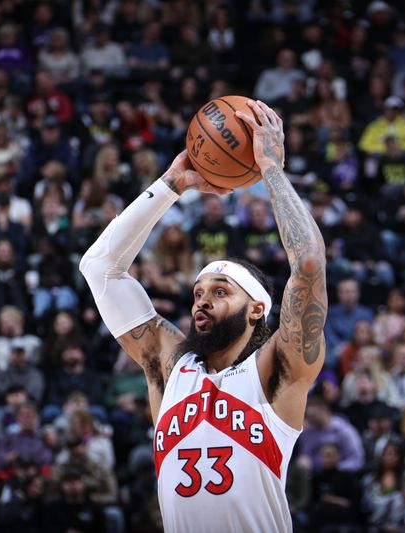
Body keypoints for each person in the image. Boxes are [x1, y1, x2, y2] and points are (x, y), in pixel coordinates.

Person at [80, 100, 327, 532]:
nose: (201, 301)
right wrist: (170, 184)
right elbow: (99, 268)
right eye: (197, 293)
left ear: (257, 309)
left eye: (219, 291)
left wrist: (270, 168)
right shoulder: (171, 365)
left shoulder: (275, 370)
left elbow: (307, 264)